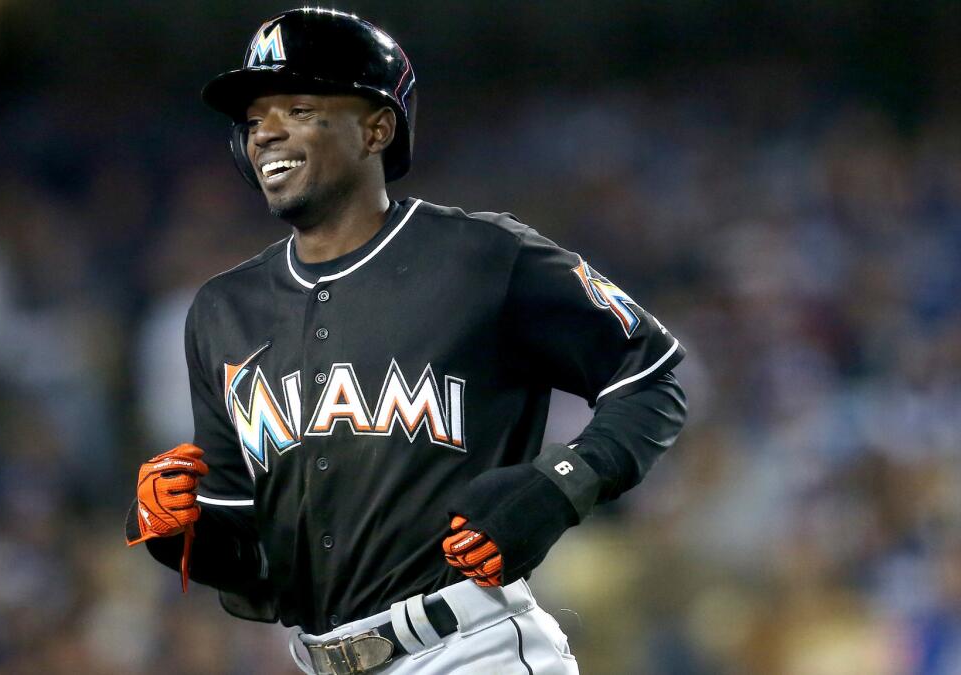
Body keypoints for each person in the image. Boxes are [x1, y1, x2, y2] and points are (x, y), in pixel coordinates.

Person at [126, 8, 688, 674]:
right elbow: (253, 555)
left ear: (377, 127)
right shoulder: (223, 311)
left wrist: (564, 481)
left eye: (298, 108)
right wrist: (178, 530)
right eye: (253, 119)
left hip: (471, 649)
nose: (265, 132)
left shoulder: (482, 257)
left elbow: (651, 374)